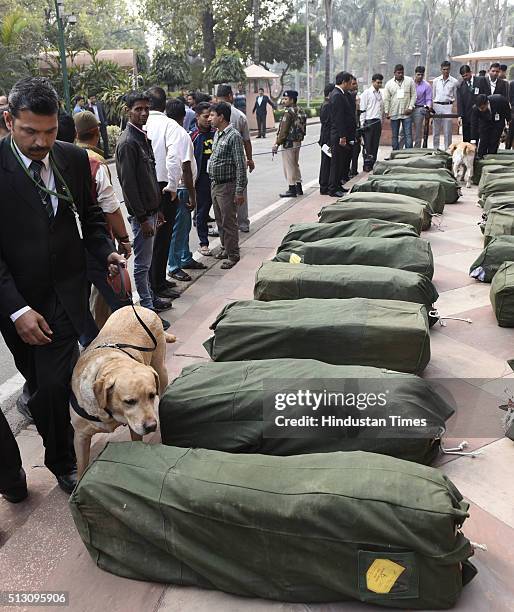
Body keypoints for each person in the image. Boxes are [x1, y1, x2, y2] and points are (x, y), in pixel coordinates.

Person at [0, 77, 124, 500]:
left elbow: (90, 218)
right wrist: (17, 310)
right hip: (16, 298)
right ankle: (40, 413)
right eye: (30, 131)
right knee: (40, 380)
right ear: (9, 121)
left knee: (54, 382)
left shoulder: (72, 158)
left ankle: (63, 462)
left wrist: (104, 251)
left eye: (50, 131)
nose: (41, 141)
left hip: (67, 291)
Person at [74, 111, 132, 344]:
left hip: (68, 245)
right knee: (119, 298)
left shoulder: (62, 159)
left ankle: (90, 343)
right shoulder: (94, 162)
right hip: (96, 244)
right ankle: (122, 342)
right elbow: (110, 207)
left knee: (78, 302)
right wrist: (123, 238)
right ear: (97, 132)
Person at [115, 91, 172, 320]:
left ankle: (151, 299)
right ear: (128, 111)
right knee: (141, 265)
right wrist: (141, 218)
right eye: (138, 109)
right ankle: (147, 311)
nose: (143, 113)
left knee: (147, 263)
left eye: (146, 108)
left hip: (151, 212)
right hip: (142, 217)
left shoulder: (141, 137)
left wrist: (156, 210)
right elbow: (129, 186)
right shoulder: (128, 142)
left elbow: (149, 177)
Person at [144, 86, 183, 305]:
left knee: (155, 239)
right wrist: (173, 187)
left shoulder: (144, 124)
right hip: (164, 184)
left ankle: (158, 280)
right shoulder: (170, 126)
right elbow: (174, 158)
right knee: (163, 236)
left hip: (150, 184)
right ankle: (156, 284)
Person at [165, 98, 202, 282]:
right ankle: (173, 265)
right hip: (181, 187)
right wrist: (192, 195)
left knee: (184, 227)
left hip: (178, 186)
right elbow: (186, 166)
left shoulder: (168, 131)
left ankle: (185, 257)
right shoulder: (180, 134)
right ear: (183, 116)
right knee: (178, 229)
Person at [208, 102, 247, 269]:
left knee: (229, 221)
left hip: (227, 186)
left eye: (212, 115)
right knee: (220, 219)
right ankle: (225, 248)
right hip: (216, 185)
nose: (209, 118)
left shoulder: (233, 136)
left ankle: (233, 254)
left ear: (221, 117)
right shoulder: (218, 134)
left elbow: (240, 164)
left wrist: (239, 191)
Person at [216, 85, 254, 232]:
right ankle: (243, 223)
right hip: (238, 162)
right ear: (231, 96)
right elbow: (247, 141)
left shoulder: (214, 115)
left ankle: (226, 226)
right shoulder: (240, 115)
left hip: (222, 164)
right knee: (241, 192)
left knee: (223, 198)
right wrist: (249, 159)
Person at [191, 101, 216, 255]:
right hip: (201, 181)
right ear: (197, 116)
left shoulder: (217, 133)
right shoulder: (193, 136)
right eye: (205, 116)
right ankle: (203, 242)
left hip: (218, 180)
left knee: (220, 212)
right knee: (201, 212)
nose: (209, 119)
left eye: (210, 116)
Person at [272, 90, 307, 198]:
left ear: (292, 100)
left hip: (289, 142)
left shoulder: (288, 112)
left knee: (289, 166)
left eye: (286, 99)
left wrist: (277, 144)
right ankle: (298, 187)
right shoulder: (300, 110)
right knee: (295, 164)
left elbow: (283, 131)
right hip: (298, 141)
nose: (284, 100)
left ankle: (292, 188)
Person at [328, 71, 355, 196]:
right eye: (350, 82)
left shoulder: (341, 94)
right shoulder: (337, 95)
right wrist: (342, 136)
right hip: (338, 135)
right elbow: (339, 118)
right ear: (344, 82)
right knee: (336, 162)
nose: (351, 85)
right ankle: (333, 188)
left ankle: (338, 185)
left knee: (340, 162)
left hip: (340, 134)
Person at [383, 64, 415, 150]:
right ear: (394, 73)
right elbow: (386, 99)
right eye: (398, 73)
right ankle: (395, 153)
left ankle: (409, 154)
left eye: (402, 73)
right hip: (394, 113)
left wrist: (410, 108)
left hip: (406, 113)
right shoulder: (389, 84)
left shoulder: (410, 81)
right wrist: (386, 111)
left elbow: (414, 95)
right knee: (394, 135)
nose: (400, 74)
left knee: (408, 134)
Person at [471, 93, 511, 158]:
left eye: (482, 108)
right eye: (479, 108)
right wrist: (473, 140)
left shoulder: (499, 100)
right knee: (483, 141)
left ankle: (491, 159)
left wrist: (508, 119)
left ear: (487, 103)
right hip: (484, 124)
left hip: (498, 123)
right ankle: (481, 158)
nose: (481, 110)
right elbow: (474, 124)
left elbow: (507, 108)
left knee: (493, 142)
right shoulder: (476, 109)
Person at [431, 60, 459, 150]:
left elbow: (456, 96)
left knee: (447, 131)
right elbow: (433, 95)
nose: (446, 71)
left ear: (450, 69)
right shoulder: (435, 81)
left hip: (448, 106)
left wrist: (455, 109)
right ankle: (435, 149)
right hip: (437, 106)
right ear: (441, 69)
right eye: (444, 69)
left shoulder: (454, 81)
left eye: (447, 69)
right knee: (436, 131)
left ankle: (448, 150)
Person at [359, 73, 383, 171]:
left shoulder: (380, 94)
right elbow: (363, 109)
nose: (379, 84)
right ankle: (366, 165)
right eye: (378, 82)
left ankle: (373, 163)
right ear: (373, 82)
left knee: (375, 144)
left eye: (381, 82)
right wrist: (362, 124)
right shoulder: (367, 93)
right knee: (367, 145)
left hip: (377, 122)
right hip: (369, 122)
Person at [457, 65, 481, 143]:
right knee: (466, 139)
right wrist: (460, 115)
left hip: (479, 115)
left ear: (470, 72)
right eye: (463, 76)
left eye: (466, 75)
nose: (465, 78)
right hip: (467, 116)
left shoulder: (480, 81)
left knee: (476, 138)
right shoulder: (460, 86)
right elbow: (460, 102)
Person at [318, 82, 335, 194]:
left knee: (328, 162)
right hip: (326, 140)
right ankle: (324, 186)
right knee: (326, 162)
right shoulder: (327, 105)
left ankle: (325, 185)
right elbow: (327, 123)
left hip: (327, 138)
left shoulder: (327, 104)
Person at [412, 66, 432, 148]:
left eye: (422, 75)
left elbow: (428, 99)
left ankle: (416, 149)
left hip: (419, 108)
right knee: (403, 131)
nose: (420, 76)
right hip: (409, 109)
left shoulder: (427, 85)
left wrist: (428, 107)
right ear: (415, 74)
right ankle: (399, 150)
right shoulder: (410, 83)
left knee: (418, 131)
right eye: (418, 74)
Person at [85, 93, 110, 158]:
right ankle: (100, 155)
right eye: (91, 99)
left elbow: (104, 113)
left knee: (105, 139)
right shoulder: (87, 107)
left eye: (94, 98)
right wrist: (90, 105)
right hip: (94, 125)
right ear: (89, 99)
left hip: (102, 124)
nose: (93, 99)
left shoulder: (99, 104)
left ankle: (106, 154)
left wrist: (105, 122)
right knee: (97, 141)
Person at [349, 76, 361, 177]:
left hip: (357, 128)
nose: (355, 86)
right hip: (349, 129)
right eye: (353, 84)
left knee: (357, 150)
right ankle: (348, 172)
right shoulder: (347, 98)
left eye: (356, 84)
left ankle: (354, 171)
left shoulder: (357, 98)